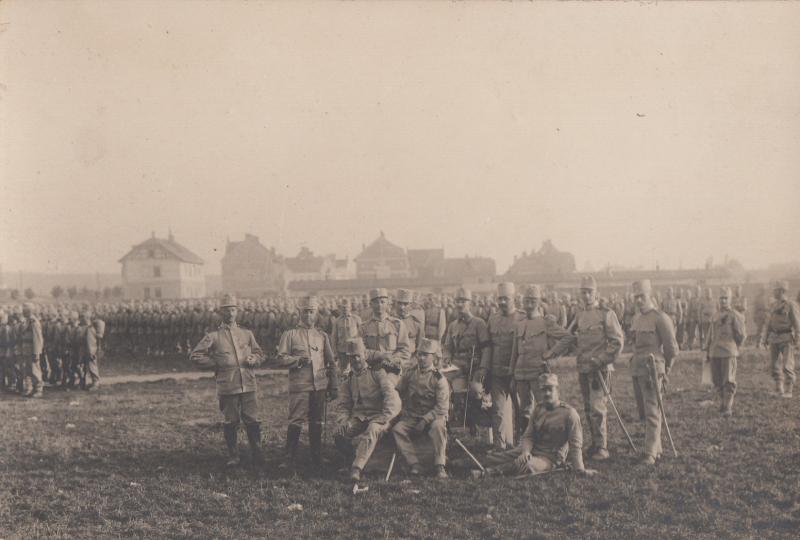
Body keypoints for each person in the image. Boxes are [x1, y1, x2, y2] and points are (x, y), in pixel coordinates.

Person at [548, 275, 624, 461]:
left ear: (596, 293)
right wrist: (553, 353)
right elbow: (571, 337)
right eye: (584, 292)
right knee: (589, 407)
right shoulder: (580, 315)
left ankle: (602, 447)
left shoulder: (606, 314)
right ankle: (595, 444)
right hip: (583, 368)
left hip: (600, 369)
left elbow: (617, 342)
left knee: (598, 408)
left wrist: (600, 360)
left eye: (590, 292)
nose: (587, 295)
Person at [190, 294, 265, 467]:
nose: (230, 314)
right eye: (226, 310)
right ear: (220, 313)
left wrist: (255, 358)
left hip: (248, 383)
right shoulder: (213, 336)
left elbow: (260, 353)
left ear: (237, 311)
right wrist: (215, 363)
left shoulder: (246, 334)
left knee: (252, 420)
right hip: (228, 385)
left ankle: (257, 452)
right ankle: (234, 455)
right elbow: (195, 355)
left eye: (233, 310)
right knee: (231, 421)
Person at [476, 373, 597, 477]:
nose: (547, 393)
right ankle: (463, 463)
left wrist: (580, 470)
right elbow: (528, 436)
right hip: (531, 450)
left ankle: (487, 473)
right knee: (496, 458)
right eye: (544, 390)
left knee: (526, 465)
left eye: (550, 389)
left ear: (558, 391)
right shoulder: (538, 409)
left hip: (549, 458)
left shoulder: (569, 414)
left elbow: (576, 446)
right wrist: (525, 451)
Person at [276, 295, 338, 468]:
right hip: (300, 386)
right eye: (305, 312)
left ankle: (316, 457)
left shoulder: (322, 336)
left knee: (316, 421)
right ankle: (288, 458)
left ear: (316, 313)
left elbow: (331, 363)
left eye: (312, 312)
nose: (309, 316)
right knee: (296, 420)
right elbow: (280, 359)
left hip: (319, 385)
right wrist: (297, 361)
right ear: (299, 313)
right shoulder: (290, 335)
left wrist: (333, 386)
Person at [334, 337, 401, 482]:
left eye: (358, 355)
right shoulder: (349, 378)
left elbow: (392, 397)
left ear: (365, 354)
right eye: (352, 357)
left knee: (372, 430)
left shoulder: (377, 373)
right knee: (339, 434)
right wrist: (343, 421)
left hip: (379, 416)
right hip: (360, 417)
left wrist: (386, 417)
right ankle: (351, 459)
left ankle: (356, 469)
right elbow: (343, 405)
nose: (356, 359)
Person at [629, 280, 679, 466]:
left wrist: (665, 369)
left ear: (650, 294)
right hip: (638, 369)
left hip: (653, 370)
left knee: (652, 411)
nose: (639, 300)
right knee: (644, 411)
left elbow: (672, 348)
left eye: (642, 296)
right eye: (636, 297)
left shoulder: (660, 317)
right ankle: (656, 448)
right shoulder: (637, 318)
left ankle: (649, 453)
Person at [509, 285, 570, 438]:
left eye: (532, 301)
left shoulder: (545, 322)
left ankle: (550, 441)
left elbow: (568, 337)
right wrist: (511, 373)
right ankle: (526, 443)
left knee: (545, 407)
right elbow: (514, 352)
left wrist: (551, 353)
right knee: (524, 411)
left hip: (539, 372)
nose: (529, 305)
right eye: (526, 301)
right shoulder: (519, 325)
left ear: (538, 303)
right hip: (521, 374)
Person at [392, 338, 450, 479]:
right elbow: (398, 391)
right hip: (412, 415)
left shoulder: (439, 379)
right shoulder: (410, 373)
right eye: (419, 354)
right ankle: (414, 463)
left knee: (438, 427)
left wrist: (425, 420)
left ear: (433, 357)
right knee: (398, 429)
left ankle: (440, 466)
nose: (421, 358)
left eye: (426, 355)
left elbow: (442, 407)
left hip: (433, 416)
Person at [476, 282, 524, 449]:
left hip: (517, 373)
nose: (502, 302)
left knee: (522, 411)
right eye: (500, 298)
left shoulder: (522, 318)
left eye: (506, 299)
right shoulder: (493, 319)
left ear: (514, 299)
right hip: (497, 373)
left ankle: (522, 445)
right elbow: (488, 346)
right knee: (498, 411)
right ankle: (499, 446)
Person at [442, 288, 491, 433]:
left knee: (476, 391)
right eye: (457, 301)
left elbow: (486, 348)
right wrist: (446, 358)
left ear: (469, 303)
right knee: (443, 385)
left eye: (463, 301)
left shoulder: (479, 323)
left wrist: (482, 368)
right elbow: (447, 347)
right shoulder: (453, 325)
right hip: (457, 366)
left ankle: (475, 423)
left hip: (474, 365)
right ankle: (451, 422)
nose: (460, 304)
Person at [704, 288, 746, 415]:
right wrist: (707, 350)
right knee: (717, 380)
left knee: (728, 380)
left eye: (725, 298)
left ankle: (727, 407)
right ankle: (722, 404)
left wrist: (734, 347)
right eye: (721, 298)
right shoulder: (715, 315)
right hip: (715, 352)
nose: (723, 301)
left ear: (730, 299)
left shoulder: (734, 315)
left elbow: (741, 335)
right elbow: (710, 335)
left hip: (728, 352)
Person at [359, 288, 410, 385]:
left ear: (387, 303)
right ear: (371, 304)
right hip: (372, 370)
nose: (379, 305)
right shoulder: (364, 327)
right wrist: (379, 355)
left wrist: (393, 359)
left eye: (382, 302)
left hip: (393, 370)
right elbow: (361, 350)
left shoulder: (397, 324)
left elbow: (404, 350)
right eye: (376, 302)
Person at [759, 281, 800, 398]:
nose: (773, 292)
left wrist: (798, 340)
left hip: (787, 338)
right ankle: (779, 389)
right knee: (774, 365)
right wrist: (764, 338)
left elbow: (797, 324)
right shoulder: (773, 305)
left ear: (782, 291)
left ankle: (788, 390)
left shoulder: (791, 305)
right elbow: (768, 323)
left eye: (775, 290)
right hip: (774, 338)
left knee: (787, 365)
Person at [17, 303, 44, 398]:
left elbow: (37, 338)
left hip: (32, 350)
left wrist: (37, 352)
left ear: (29, 311)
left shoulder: (34, 322)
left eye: (25, 310)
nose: (23, 312)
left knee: (35, 370)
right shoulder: (27, 321)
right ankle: (30, 389)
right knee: (27, 370)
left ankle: (38, 390)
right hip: (26, 350)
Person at [395, 289, 424, 371]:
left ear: (410, 305)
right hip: (393, 361)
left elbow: (420, 347)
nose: (402, 307)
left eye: (405, 304)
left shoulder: (416, 323)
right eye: (399, 303)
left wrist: (413, 361)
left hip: (411, 361)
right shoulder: (390, 322)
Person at [330, 298, 361, 374]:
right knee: (343, 371)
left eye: (347, 307)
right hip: (342, 350)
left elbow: (361, 334)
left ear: (350, 307)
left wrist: (361, 349)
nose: (345, 309)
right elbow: (334, 337)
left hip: (354, 350)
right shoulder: (337, 321)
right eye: (343, 307)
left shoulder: (356, 319)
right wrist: (334, 352)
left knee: (356, 370)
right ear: (340, 308)